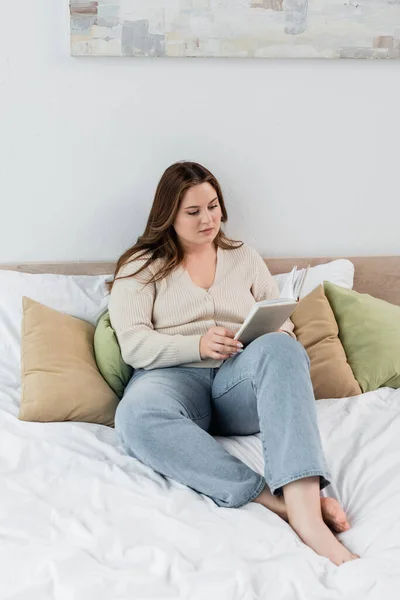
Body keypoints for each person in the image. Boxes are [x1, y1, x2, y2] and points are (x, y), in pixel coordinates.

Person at [108, 161, 360, 566]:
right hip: (172, 381)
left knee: (283, 347)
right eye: (193, 212)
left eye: (213, 206)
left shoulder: (243, 256)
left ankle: (308, 515)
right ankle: (274, 501)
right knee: (134, 416)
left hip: (238, 380)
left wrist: (277, 335)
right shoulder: (140, 267)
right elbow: (134, 346)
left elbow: (283, 316)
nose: (208, 219)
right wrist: (198, 345)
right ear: (168, 214)